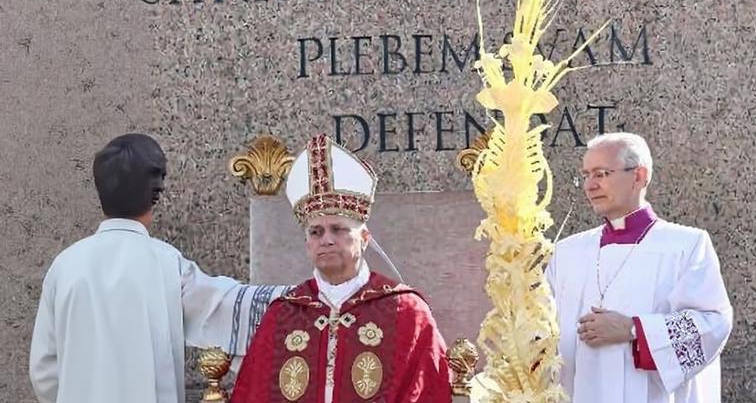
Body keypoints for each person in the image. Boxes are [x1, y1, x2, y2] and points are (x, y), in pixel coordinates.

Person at [29, 133, 290, 403]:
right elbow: (224, 306)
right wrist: (306, 298)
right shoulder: (165, 264)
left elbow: (44, 371)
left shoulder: (65, 266)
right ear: (155, 195)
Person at [230, 134, 452, 403]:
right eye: (316, 232)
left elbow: (429, 392)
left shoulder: (406, 311)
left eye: (338, 229)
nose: (326, 239)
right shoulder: (282, 314)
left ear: (365, 239)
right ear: (307, 243)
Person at [545, 132, 733, 402]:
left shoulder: (686, 245)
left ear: (639, 176)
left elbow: (713, 323)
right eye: (585, 175)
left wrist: (634, 330)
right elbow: (541, 325)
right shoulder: (566, 252)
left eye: (601, 174)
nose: (590, 185)